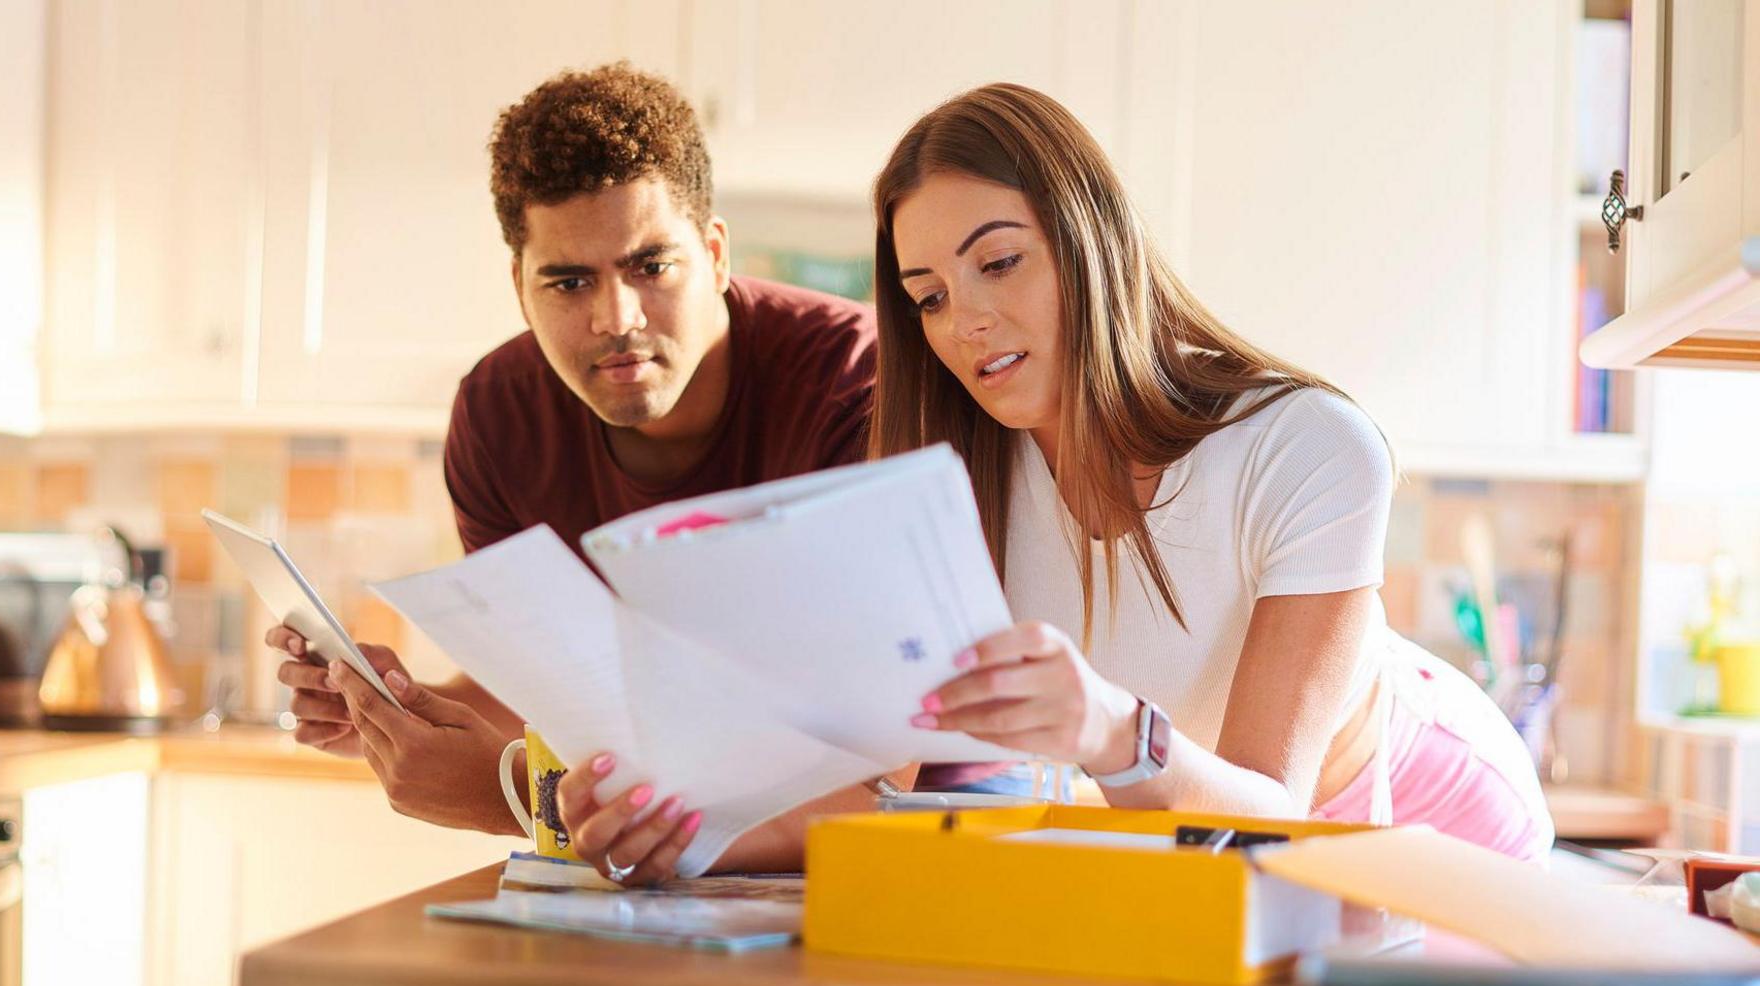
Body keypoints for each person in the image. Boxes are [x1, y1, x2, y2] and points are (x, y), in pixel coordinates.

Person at [265, 63, 913, 886]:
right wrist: (407, 716)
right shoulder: (498, 418)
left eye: (651, 266)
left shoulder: (859, 389)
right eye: (568, 282)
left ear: (714, 255)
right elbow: (558, 688)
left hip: (845, 889)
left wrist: (513, 798)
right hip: (639, 889)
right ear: (520, 289)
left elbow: (882, 778)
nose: (617, 320)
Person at [874, 83, 1554, 861]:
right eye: (928, 298)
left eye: (998, 262)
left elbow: (1271, 808)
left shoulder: (1304, 448)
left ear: (1089, 241)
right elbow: (875, 786)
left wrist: (1108, 726)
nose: (965, 322)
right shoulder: (951, 488)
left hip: (1431, 819)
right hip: (1199, 828)